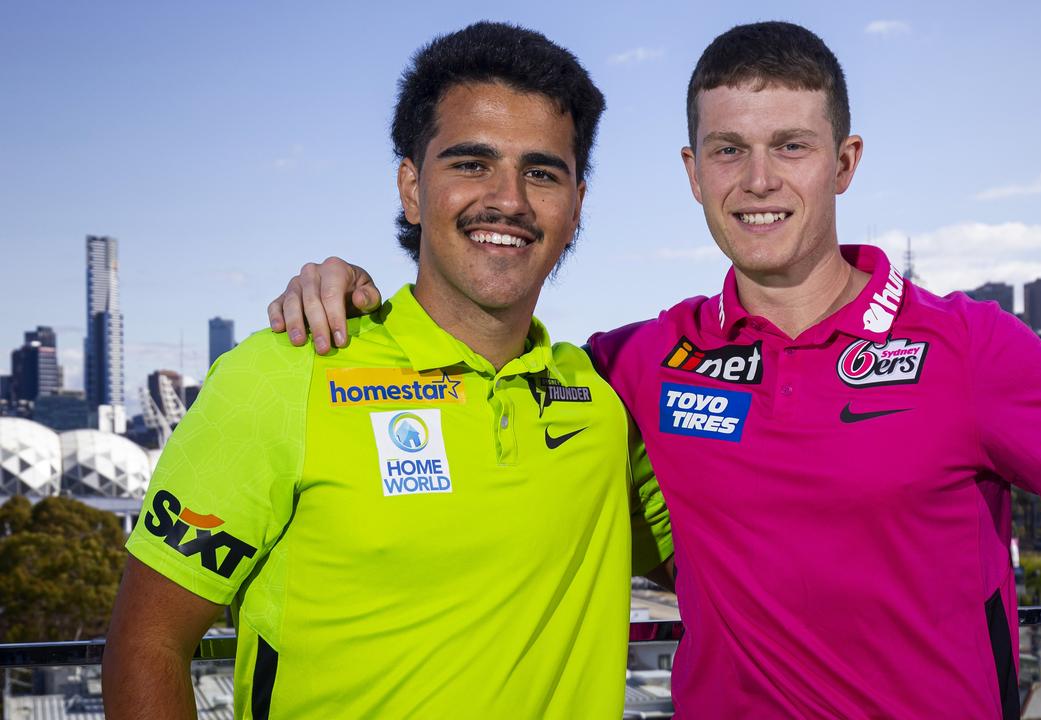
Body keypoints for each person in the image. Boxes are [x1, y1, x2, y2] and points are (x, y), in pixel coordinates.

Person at [271, 21, 1041, 719]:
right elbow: (477, 348)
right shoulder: (638, 363)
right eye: (729, 149)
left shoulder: (973, 350)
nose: (758, 180)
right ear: (691, 170)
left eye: (790, 146)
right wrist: (351, 287)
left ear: (843, 163)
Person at [103, 22, 671, 719]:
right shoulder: (283, 374)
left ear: (577, 205)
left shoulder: (603, 404)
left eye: (542, 172)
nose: (509, 200)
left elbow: (747, 566)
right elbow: (147, 643)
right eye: (471, 163)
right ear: (411, 186)